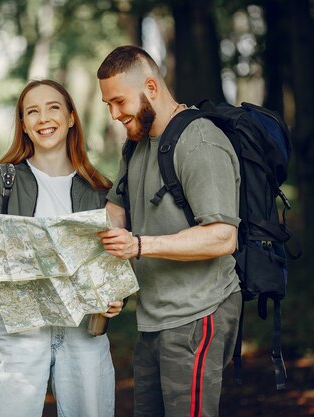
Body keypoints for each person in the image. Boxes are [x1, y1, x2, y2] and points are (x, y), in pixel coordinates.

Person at [0, 79, 122, 417]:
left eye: (53, 108)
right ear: (24, 125)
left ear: (72, 117)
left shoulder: (101, 190)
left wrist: (117, 297)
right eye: (32, 111)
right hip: (20, 330)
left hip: (83, 331)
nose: (43, 118)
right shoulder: (2, 180)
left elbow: (113, 260)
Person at [96, 45, 242, 417]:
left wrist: (139, 246)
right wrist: (107, 279)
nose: (114, 114)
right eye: (107, 105)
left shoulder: (200, 142)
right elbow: (117, 209)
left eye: (119, 101)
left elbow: (223, 236)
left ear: (150, 86)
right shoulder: (137, 144)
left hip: (198, 312)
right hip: (154, 316)